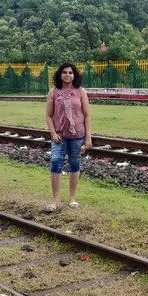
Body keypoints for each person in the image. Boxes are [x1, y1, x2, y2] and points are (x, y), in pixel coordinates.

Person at [45, 63, 93, 211]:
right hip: (59, 135)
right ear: (60, 75)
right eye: (65, 72)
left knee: (74, 164)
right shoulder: (53, 92)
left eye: (70, 73)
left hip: (77, 135)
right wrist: (53, 133)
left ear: (74, 75)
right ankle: (55, 200)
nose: (67, 75)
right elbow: (48, 116)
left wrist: (88, 138)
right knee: (55, 162)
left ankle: (72, 198)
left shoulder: (81, 92)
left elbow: (86, 115)